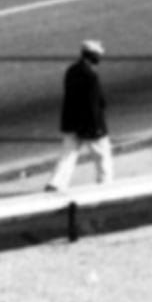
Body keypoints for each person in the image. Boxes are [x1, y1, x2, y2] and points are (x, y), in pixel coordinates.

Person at [48, 41, 113, 192]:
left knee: (68, 155)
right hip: (90, 125)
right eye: (98, 55)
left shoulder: (72, 70)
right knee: (103, 157)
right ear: (92, 56)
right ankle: (106, 185)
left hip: (72, 122)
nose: (100, 58)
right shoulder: (91, 76)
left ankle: (56, 183)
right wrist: (97, 128)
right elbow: (94, 104)